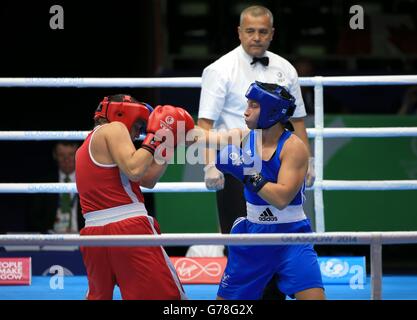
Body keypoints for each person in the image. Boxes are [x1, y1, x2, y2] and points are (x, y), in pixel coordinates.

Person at [194, 4, 314, 299]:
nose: (256, 37)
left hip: (280, 159)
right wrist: (210, 165)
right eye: (250, 31)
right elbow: (204, 126)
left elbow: (297, 120)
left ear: (272, 33)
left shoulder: (286, 68)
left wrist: (307, 161)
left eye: (263, 31)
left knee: (283, 234)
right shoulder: (219, 69)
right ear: (239, 32)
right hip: (238, 161)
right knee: (243, 244)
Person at [207, 81, 325, 300]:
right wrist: (171, 131)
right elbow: (203, 138)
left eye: (254, 105)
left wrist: (245, 172)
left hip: (292, 236)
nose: (245, 111)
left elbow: (281, 198)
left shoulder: (294, 147)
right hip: (253, 234)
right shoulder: (243, 137)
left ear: (271, 111)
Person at [76, 94, 194, 300]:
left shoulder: (84, 147)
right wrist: (157, 136)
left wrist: (167, 143)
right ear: (122, 113)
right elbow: (135, 169)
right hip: (129, 229)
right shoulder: (114, 129)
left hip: (93, 235)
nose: (139, 132)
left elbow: (147, 179)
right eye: (139, 125)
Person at [27, 141, 83, 234]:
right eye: (61, 155)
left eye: (71, 155)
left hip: (82, 239)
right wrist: (49, 233)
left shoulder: (89, 182)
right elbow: (33, 219)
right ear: (55, 156)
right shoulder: (43, 183)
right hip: (51, 241)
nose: (66, 159)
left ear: (79, 155)